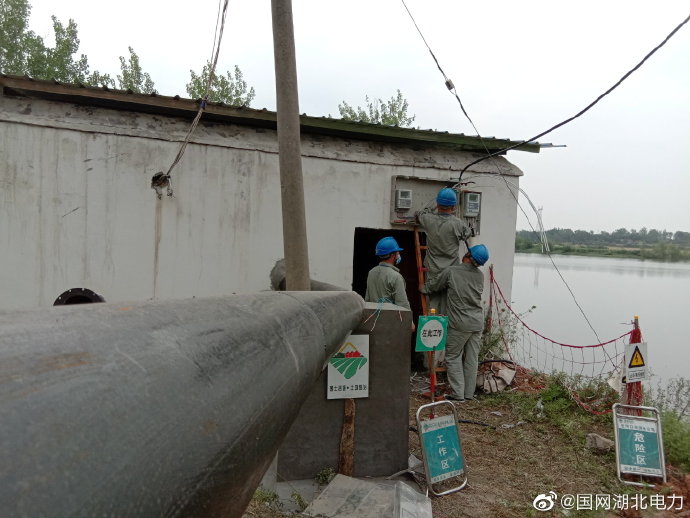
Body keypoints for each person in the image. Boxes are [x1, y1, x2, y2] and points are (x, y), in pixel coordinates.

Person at [421, 244, 489, 402]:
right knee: (472, 359)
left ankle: (458, 394)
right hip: (477, 322)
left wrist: (423, 288)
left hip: (460, 323)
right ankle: (468, 394)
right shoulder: (480, 276)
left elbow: (434, 286)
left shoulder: (452, 271)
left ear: (468, 254)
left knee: (453, 356)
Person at [416, 188, 471, 315]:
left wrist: (432, 206)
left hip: (433, 269)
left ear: (438, 203)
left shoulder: (428, 219)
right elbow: (467, 234)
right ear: (453, 206)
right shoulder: (458, 224)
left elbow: (420, 214)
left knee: (434, 303)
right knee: (449, 302)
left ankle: (433, 324)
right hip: (451, 270)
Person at [365, 236, 410, 310]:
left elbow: (368, 300)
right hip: (390, 317)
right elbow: (403, 306)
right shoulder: (396, 276)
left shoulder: (371, 272)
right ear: (392, 255)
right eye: (397, 252)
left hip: (374, 316)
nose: (399, 254)